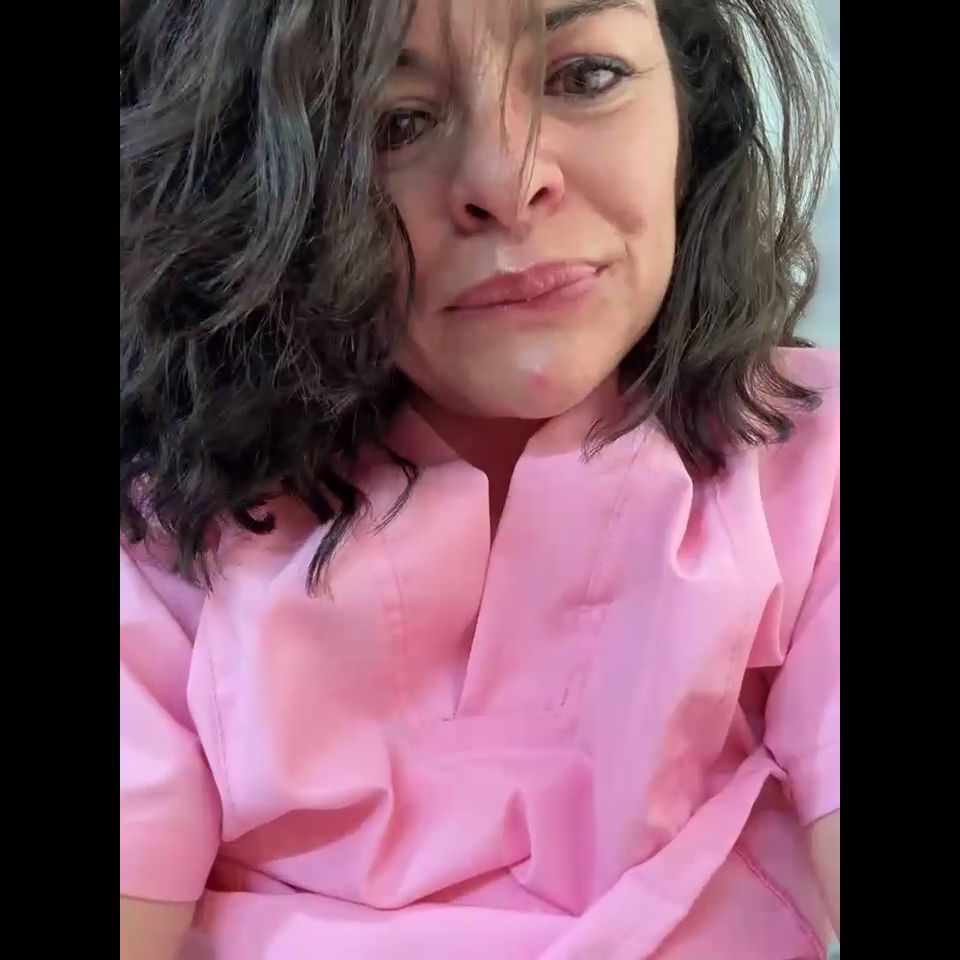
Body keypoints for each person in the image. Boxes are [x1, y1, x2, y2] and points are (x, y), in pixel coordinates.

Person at [119, 0, 839, 956]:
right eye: (396, 123)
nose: (506, 180)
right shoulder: (162, 539)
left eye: (584, 77)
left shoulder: (812, 462)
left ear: (691, 105)